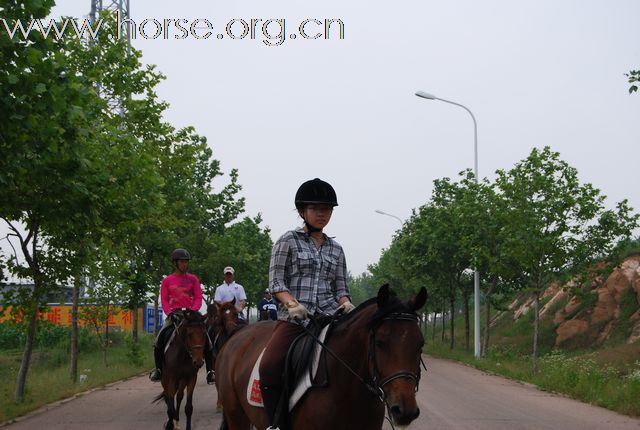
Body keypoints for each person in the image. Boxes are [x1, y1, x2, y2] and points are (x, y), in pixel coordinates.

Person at [259, 178, 356, 430]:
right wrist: (292, 304)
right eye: (315, 208)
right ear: (303, 211)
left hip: (329, 317)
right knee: (269, 365)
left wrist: (346, 304)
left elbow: (341, 288)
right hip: (295, 320)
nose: (322, 213)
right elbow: (276, 282)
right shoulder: (287, 241)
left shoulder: (337, 249)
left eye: (327, 209)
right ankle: (275, 424)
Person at [149, 248, 215, 385]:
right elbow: (165, 300)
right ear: (175, 263)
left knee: (207, 339)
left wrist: (193, 310)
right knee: (159, 339)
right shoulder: (167, 281)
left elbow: (198, 297)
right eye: (182, 262)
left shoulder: (193, 279)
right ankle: (158, 370)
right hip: (174, 314)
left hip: (191, 315)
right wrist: (170, 313)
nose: (185, 264)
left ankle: (210, 371)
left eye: (186, 262)